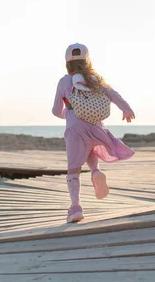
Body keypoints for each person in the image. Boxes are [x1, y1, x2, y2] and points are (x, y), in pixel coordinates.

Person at [52, 43, 136, 223]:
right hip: (96, 127)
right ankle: (96, 171)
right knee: (90, 148)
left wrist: (68, 114)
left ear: (67, 62)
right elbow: (113, 94)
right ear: (88, 60)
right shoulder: (95, 79)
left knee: (73, 168)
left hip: (75, 129)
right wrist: (126, 109)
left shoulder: (64, 81)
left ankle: (76, 208)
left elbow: (55, 110)